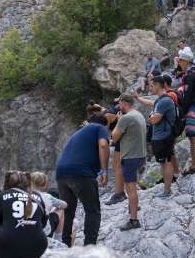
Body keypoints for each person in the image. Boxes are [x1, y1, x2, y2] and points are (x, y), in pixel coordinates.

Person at [55, 112, 109, 247]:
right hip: (81, 173)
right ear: (104, 124)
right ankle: (89, 246)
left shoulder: (79, 132)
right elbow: (103, 145)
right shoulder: (99, 127)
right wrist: (104, 170)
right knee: (92, 210)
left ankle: (65, 244)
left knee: (68, 210)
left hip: (61, 173)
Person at [0, 171, 47, 258]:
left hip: (7, 248)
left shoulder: (2, 195)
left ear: (8, 183)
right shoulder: (37, 196)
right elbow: (43, 223)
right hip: (37, 248)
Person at [111, 94, 147, 230]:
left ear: (124, 103)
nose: (119, 107)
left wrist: (119, 120)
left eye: (120, 104)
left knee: (130, 188)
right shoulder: (138, 114)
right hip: (140, 155)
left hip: (130, 157)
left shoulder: (125, 118)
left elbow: (114, 137)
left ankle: (134, 220)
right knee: (133, 185)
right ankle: (134, 205)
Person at [149, 75, 177, 198]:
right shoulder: (159, 100)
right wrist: (152, 117)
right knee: (164, 162)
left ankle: (167, 190)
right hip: (161, 136)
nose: (150, 88)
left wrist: (151, 117)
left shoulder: (164, 100)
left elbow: (154, 119)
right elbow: (154, 116)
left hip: (163, 136)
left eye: (152, 85)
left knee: (166, 162)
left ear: (157, 85)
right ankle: (167, 188)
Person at [31, 172, 66, 241]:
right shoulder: (48, 197)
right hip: (44, 233)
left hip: (25, 230)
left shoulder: (23, 195)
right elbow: (64, 205)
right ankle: (58, 239)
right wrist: (52, 208)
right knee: (61, 210)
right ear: (45, 185)